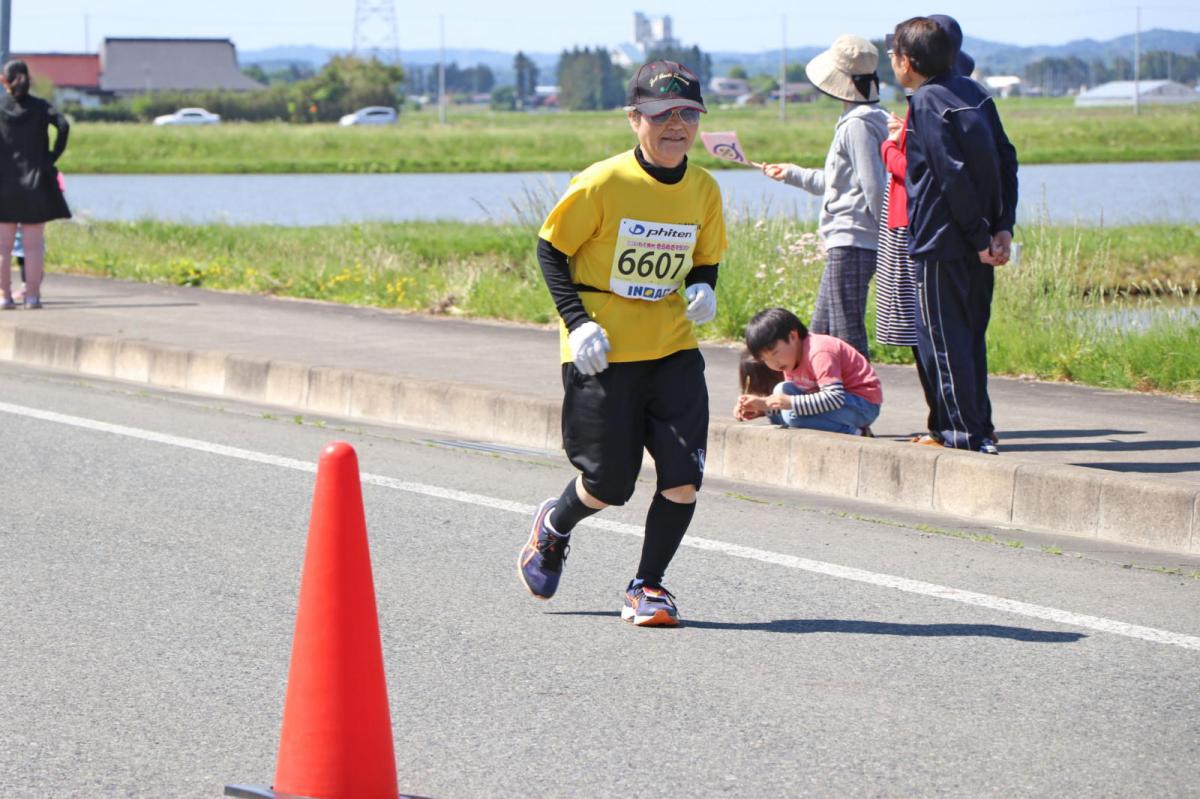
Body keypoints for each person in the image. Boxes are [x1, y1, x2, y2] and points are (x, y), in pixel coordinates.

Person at [518, 60, 727, 628]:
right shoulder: (601, 183)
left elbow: (705, 256)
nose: (676, 126)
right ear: (635, 118)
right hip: (603, 349)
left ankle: (648, 587)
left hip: (672, 348)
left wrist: (704, 288)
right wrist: (576, 322)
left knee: (683, 477)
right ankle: (555, 526)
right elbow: (550, 250)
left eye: (688, 114)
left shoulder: (704, 188)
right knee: (609, 485)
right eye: (662, 115)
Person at [890, 17, 1018, 454]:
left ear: (908, 61)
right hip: (978, 241)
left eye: (894, 54)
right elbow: (1006, 159)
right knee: (970, 337)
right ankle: (979, 428)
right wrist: (1002, 227)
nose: (893, 62)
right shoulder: (975, 93)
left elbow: (951, 175)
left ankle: (962, 435)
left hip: (941, 242)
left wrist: (983, 236)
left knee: (945, 341)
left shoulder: (925, 100)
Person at [876, 16, 976, 446]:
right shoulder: (968, 99)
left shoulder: (928, 103)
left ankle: (949, 425)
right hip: (942, 231)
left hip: (918, 229)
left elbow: (920, 171)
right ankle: (959, 425)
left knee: (931, 335)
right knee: (944, 335)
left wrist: (890, 143)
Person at [760, 35, 888, 358]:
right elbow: (835, 183)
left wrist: (889, 236)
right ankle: (819, 396)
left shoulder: (856, 126)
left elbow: (874, 187)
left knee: (844, 331)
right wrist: (791, 173)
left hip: (853, 239)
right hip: (850, 240)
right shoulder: (869, 120)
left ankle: (858, 398)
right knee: (821, 329)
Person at [736, 308, 882, 436]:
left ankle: (857, 433)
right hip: (837, 405)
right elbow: (803, 399)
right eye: (765, 359)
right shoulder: (791, 358)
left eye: (774, 353)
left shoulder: (819, 351)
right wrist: (763, 407)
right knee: (782, 390)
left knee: (794, 416)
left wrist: (790, 402)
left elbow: (834, 398)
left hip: (862, 405)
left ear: (793, 336)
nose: (773, 363)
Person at [0, 59, 71, 310]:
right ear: (29, 79)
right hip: (36, 182)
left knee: (3, 246)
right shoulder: (41, 107)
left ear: (3, 80)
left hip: (3, 185)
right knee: (33, 246)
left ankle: (5, 297)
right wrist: (51, 156)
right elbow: (63, 125)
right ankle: (32, 297)